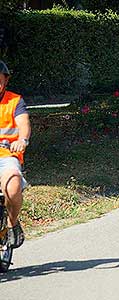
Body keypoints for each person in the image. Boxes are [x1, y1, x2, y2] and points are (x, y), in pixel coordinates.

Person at [0, 60, 30, 249]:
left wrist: (22, 140)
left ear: (6, 80)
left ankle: (12, 223)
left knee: (12, 187)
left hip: (7, 156)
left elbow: (24, 124)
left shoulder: (14, 101)